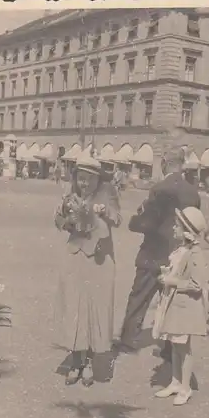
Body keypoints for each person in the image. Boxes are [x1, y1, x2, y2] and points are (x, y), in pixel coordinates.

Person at [117, 145, 201, 353]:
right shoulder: (192, 192)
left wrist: (135, 219)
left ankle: (129, 340)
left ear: (165, 162)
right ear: (182, 165)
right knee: (172, 301)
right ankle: (171, 348)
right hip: (179, 255)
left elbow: (148, 222)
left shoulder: (160, 188)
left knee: (140, 297)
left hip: (154, 252)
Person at [53, 149, 122, 387]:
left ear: (97, 179)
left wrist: (105, 213)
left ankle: (91, 362)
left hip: (99, 261)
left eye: (89, 178)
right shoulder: (69, 195)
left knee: (96, 308)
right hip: (75, 257)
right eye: (81, 177)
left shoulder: (108, 193)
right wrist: (65, 221)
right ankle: (76, 361)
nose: (84, 182)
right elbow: (57, 219)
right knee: (75, 308)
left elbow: (118, 218)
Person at [153, 206, 209, 405]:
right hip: (176, 306)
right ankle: (176, 381)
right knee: (174, 346)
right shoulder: (182, 250)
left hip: (186, 308)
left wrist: (171, 281)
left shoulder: (195, 254)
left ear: (187, 231)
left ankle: (186, 387)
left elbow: (197, 285)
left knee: (183, 349)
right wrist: (168, 274)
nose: (173, 229)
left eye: (177, 226)